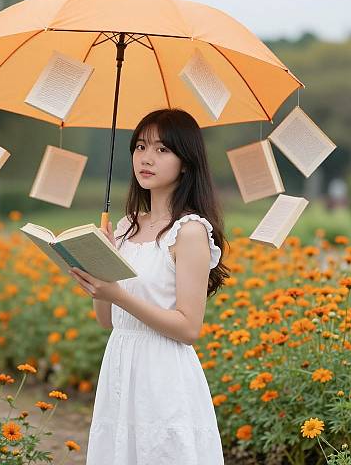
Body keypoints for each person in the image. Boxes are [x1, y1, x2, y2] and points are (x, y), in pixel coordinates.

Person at [69, 108, 230, 464]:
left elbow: (188, 327)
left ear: (186, 162)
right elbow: (108, 320)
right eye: (140, 147)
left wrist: (118, 294)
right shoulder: (126, 227)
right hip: (121, 367)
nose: (146, 158)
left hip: (163, 372)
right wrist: (100, 275)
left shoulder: (189, 232)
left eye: (162, 150)